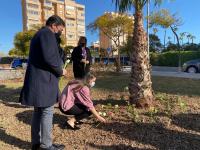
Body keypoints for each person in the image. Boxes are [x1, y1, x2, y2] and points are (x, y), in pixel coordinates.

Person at [19, 15, 67, 150]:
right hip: (44, 81)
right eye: (60, 30)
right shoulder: (47, 34)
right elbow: (50, 57)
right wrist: (60, 71)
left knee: (38, 112)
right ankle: (46, 145)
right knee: (47, 111)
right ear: (53, 25)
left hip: (38, 81)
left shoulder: (39, 34)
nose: (60, 33)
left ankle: (37, 143)